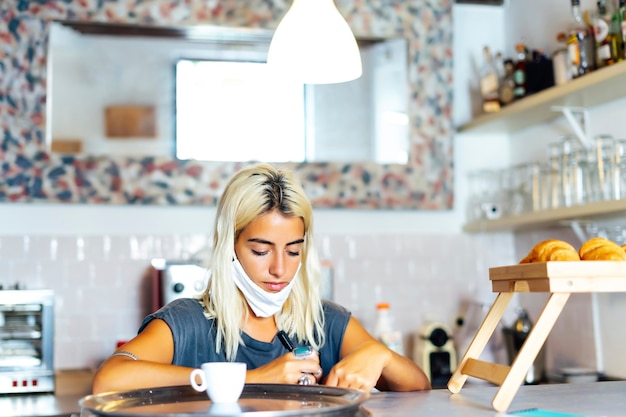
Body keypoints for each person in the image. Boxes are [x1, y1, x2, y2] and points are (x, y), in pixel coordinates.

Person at [92, 163, 430, 394]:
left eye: (293, 251)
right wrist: (248, 380)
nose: (280, 270)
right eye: (261, 250)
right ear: (230, 247)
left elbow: (418, 386)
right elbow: (109, 380)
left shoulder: (326, 322)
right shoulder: (188, 323)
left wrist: (379, 355)